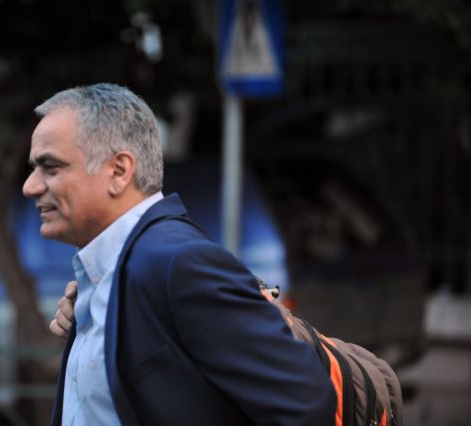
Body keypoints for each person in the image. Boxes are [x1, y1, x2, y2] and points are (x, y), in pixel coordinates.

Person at [23, 83, 336, 426]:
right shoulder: (111, 273)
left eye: (51, 167)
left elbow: (306, 402)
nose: (30, 186)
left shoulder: (180, 262)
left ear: (119, 171)